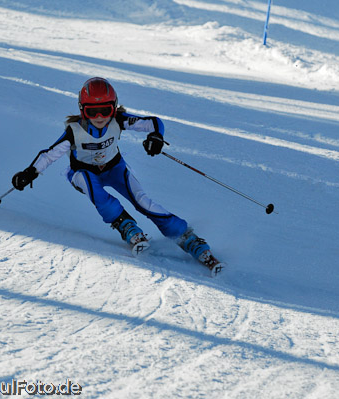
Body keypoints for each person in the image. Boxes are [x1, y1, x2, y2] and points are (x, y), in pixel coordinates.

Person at [11, 77, 223, 276]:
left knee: (143, 201)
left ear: (114, 107)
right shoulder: (74, 131)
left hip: (114, 169)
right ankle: (126, 225)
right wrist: (30, 173)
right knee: (97, 193)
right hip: (82, 172)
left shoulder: (119, 120)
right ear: (82, 110)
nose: (100, 117)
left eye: (105, 110)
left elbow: (153, 122)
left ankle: (187, 237)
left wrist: (156, 137)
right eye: (92, 112)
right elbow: (49, 155)